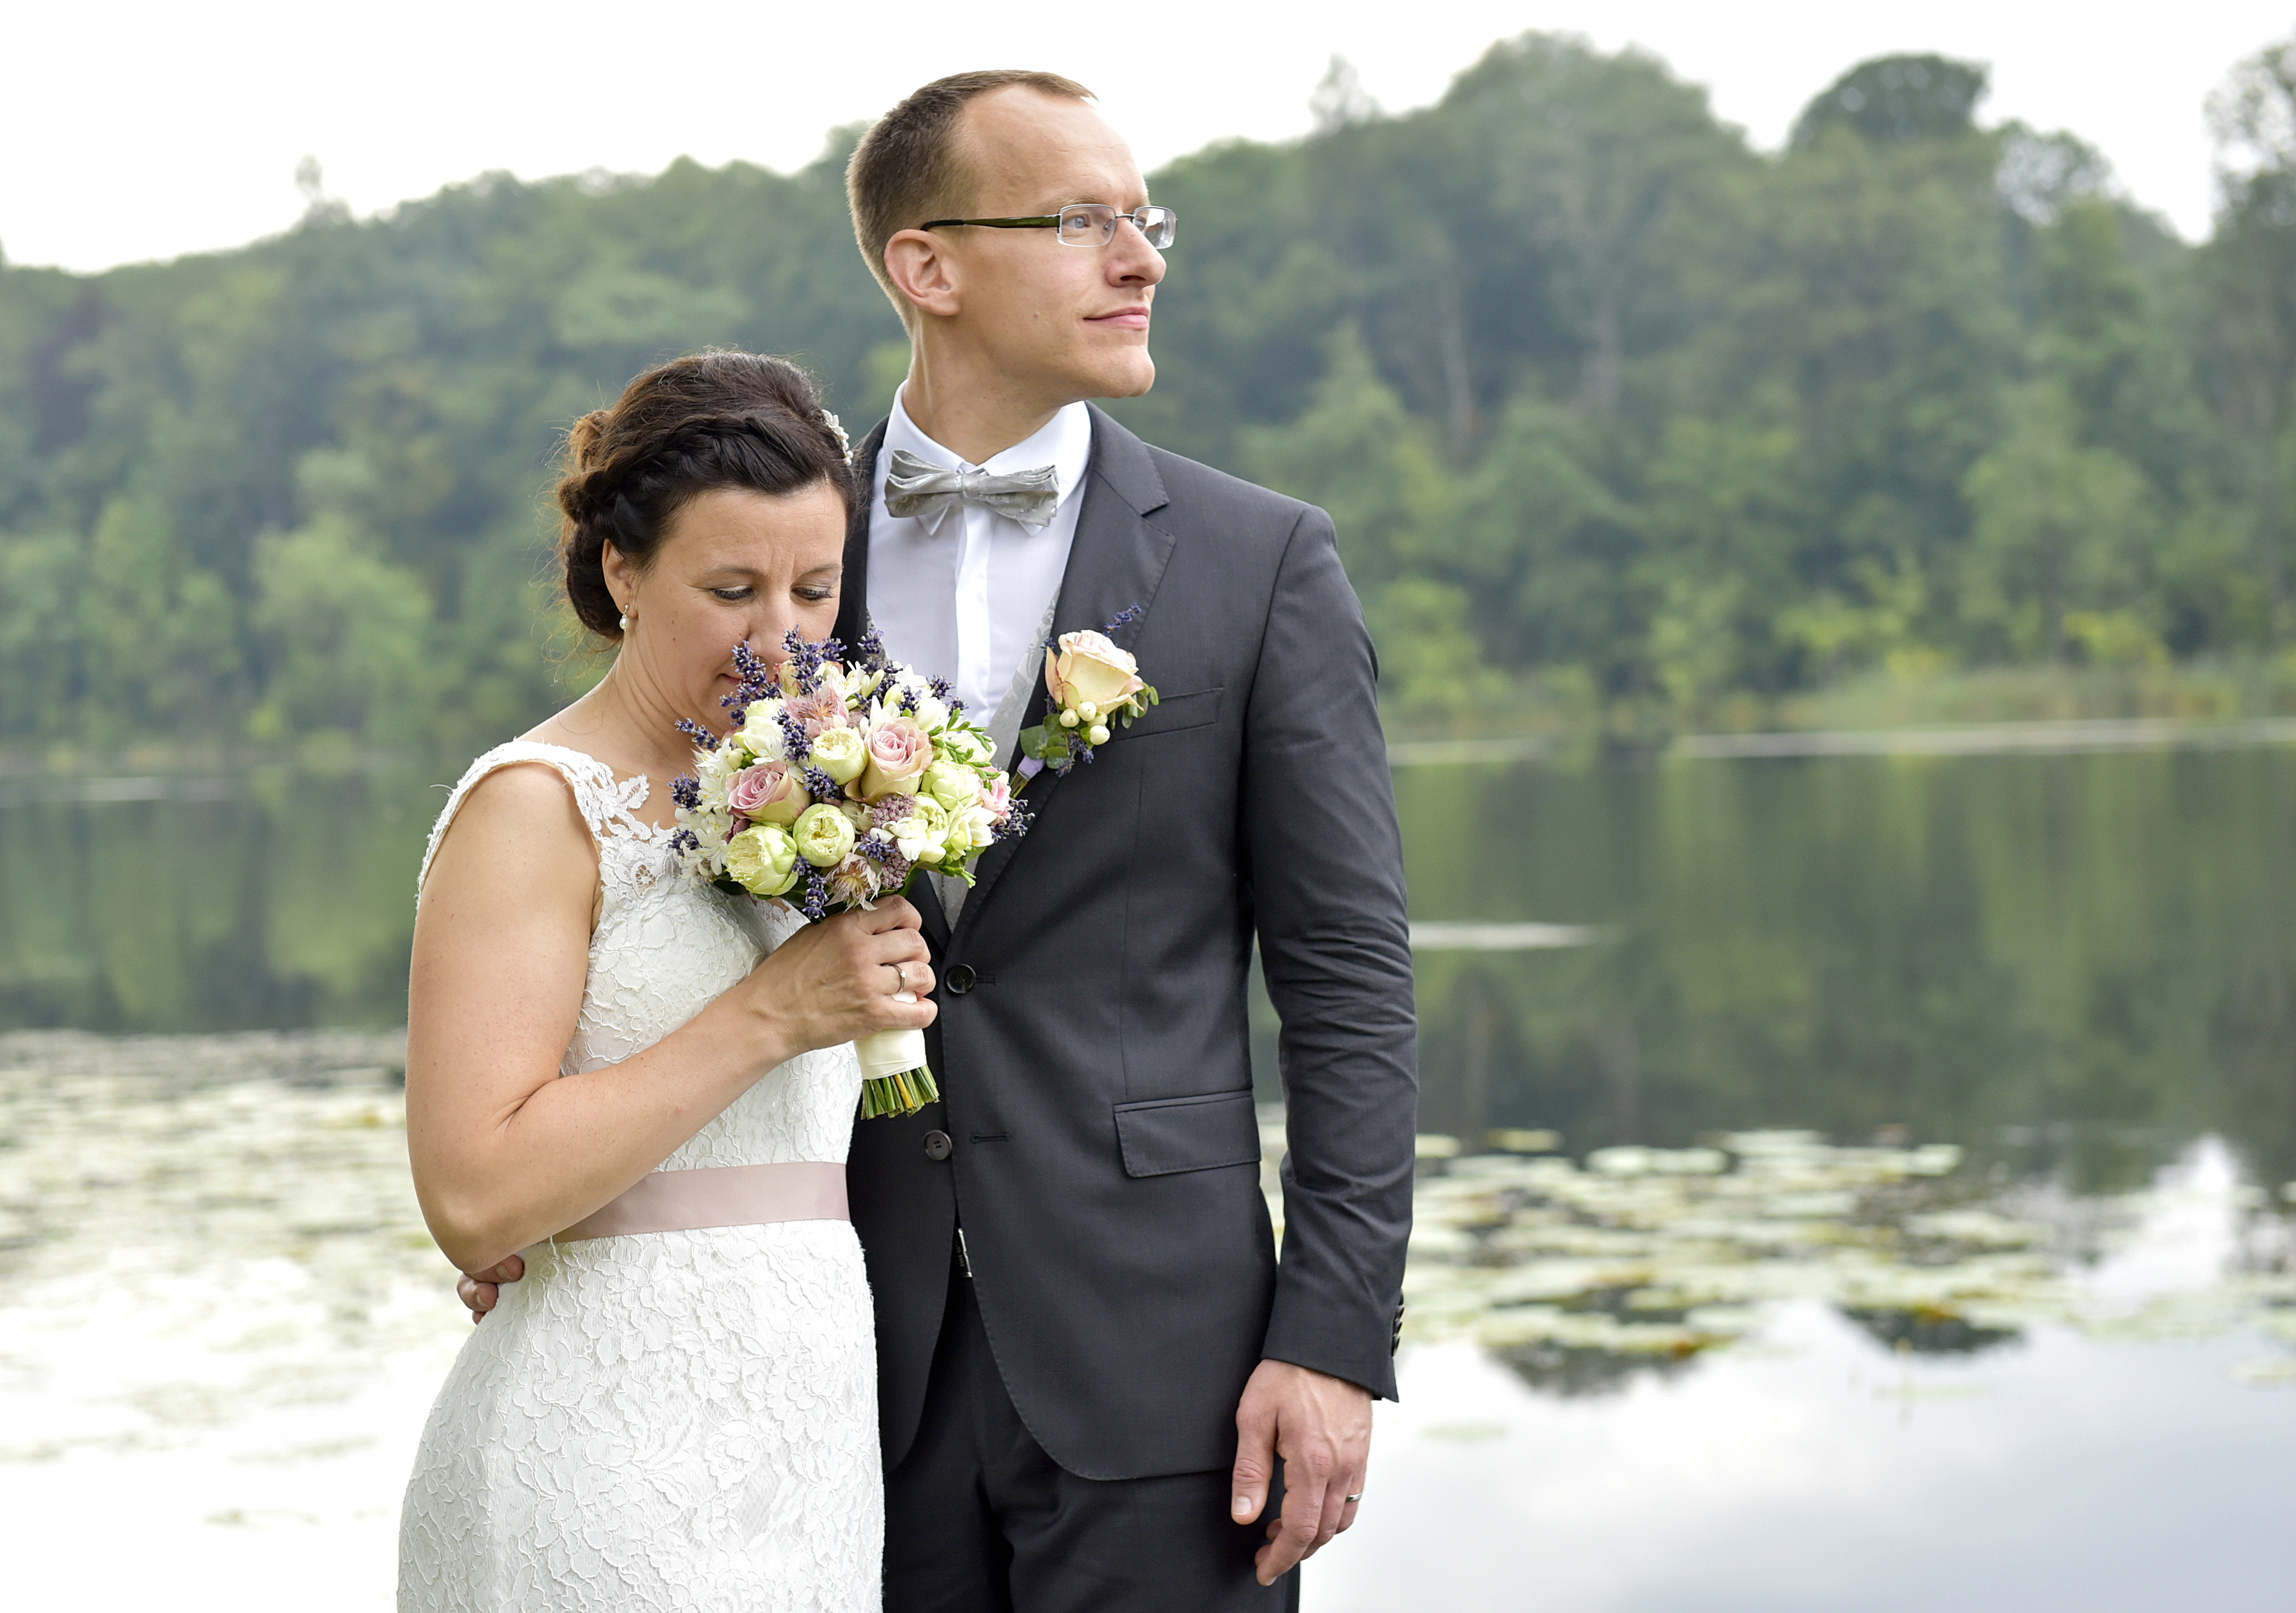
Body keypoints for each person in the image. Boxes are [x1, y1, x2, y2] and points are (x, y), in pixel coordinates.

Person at [463, 70, 1419, 1610]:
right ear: (928, 265)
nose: (1141, 258)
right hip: (830, 1365)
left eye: (1142, 217)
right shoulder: (772, 549)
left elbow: (1351, 984)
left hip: (1168, 1368)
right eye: (1083, 221)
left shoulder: (1261, 564)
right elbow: (631, 854)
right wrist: (561, 1206)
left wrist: (1331, 1335)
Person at [397, 351, 929, 1611]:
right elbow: (474, 1194)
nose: (779, 641)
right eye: (730, 588)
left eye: (813, 589)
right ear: (622, 572)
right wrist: (772, 1013)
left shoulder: (825, 793)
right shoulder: (534, 809)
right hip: (596, 1458)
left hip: (806, 1451)